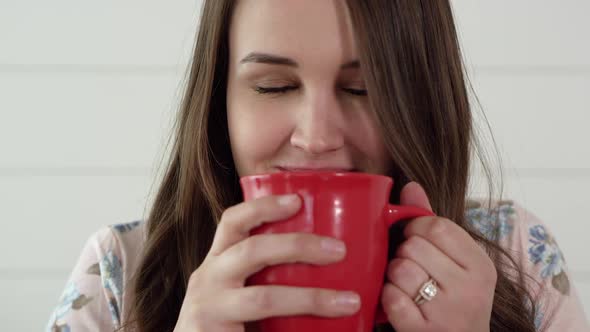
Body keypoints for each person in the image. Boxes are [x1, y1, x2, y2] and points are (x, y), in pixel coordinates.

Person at [46, 1, 589, 331]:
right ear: (219, 105)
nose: (316, 137)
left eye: (363, 89)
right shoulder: (120, 274)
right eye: (273, 86)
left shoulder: (514, 257)